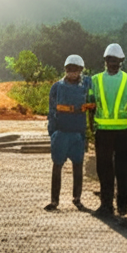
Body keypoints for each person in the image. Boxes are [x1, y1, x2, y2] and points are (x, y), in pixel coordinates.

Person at [88, 44, 127, 218]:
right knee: (121, 169)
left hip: (105, 132)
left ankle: (107, 206)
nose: (112, 63)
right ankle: (121, 207)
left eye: (113, 60)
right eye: (112, 60)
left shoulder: (95, 80)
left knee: (105, 168)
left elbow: (91, 106)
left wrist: (90, 126)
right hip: (122, 132)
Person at [45, 54, 94, 211]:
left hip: (78, 133)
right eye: (69, 69)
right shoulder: (57, 88)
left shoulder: (87, 84)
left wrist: (87, 132)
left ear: (81, 70)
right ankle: (54, 201)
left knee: (78, 166)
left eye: (76, 70)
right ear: (65, 70)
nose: (72, 72)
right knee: (57, 165)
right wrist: (52, 133)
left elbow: (92, 103)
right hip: (61, 132)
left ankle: (77, 198)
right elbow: (51, 111)